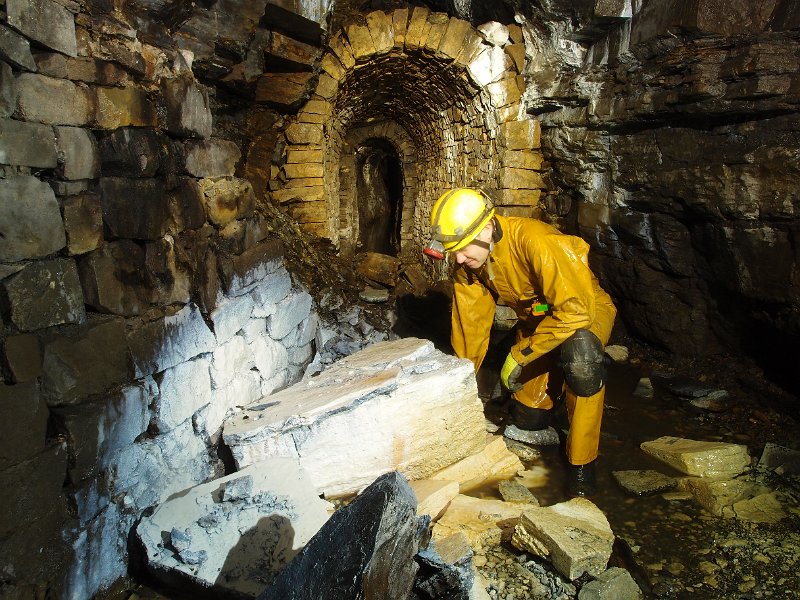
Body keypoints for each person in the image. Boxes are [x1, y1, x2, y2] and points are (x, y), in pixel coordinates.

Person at [423, 188, 617, 497]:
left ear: (487, 228)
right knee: (528, 419)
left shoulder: (536, 241)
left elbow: (575, 310)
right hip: (539, 322)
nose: (458, 258)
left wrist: (521, 353)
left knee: (582, 359)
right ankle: (552, 395)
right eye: (452, 250)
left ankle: (583, 466)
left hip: (584, 312)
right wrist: (462, 388)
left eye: (462, 248)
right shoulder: (468, 264)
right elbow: (470, 327)